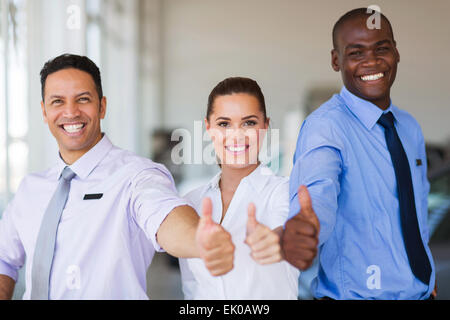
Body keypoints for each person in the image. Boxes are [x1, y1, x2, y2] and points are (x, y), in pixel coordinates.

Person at [0, 54, 235, 300]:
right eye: (57, 101)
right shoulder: (30, 188)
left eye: (83, 99)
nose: (70, 112)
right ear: (44, 110)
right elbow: (4, 259)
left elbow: (164, 214)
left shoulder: (136, 177)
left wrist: (198, 238)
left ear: (102, 106)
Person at [284, 8, 436, 300]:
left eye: (382, 48)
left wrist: (425, 278)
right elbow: (318, 195)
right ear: (336, 60)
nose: (372, 61)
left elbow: (417, 215)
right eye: (356, 52)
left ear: (396, 53)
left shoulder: (409, 127)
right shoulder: (325, 128)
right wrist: (306, 227)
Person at [179, 77, 316, 300]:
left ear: (265, 126)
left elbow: (287, 229)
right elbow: (192, 288)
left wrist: (278, 240)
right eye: (224, 124)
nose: (237, 134)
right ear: (208, 128)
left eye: (249, 123)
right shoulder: (191, 202)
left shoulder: (283, 192)